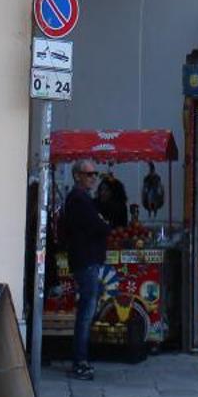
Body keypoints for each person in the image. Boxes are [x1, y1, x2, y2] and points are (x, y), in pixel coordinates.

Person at [62, 159, 113, 380]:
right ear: (78, 176)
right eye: (89, 174)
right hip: (86, 260)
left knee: (87, 311)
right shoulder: (78, 199)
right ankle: (80, 361)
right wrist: (103, 223)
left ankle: (80, 358)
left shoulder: (84, 199)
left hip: (87, 259)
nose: (93, 177)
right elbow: (99, 226)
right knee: (86, 313)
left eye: (95, 174)